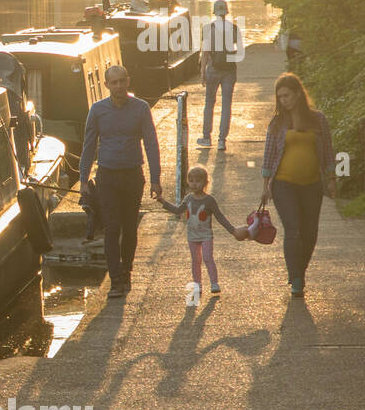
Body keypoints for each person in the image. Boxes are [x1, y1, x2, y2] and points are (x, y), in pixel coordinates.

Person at [80, 64, 163, 297]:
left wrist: (156, 179)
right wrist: (83, 179)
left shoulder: (141, 108)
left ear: (128, 81)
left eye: (121, 81)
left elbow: (151, 144)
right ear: (106, 85)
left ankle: (126, 271)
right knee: (111, 227)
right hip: (106, 176)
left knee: (129, 228)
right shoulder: (97, 111)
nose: (118, 86)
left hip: (132, 175)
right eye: (113, 82)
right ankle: (116, 280)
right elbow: (88, 146)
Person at [260, 73, 336, 297]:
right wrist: (265, 186)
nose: (284, 100)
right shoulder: (278, 122)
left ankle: (299, 272)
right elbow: (268, 155)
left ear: (298, 94)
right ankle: (296, 279)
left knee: (310, 233)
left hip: (312, 185)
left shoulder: (318, 120)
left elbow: (329, 152)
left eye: (287, 95)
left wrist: (331, 180)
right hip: (284, 185)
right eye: (280, 97)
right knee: (293, 231)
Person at [157, 166, 248, 300]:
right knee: (196, 260)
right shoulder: (188, 199)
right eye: (191, 180)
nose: (194, 184)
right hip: (192, 236)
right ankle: (198, 284)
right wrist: (163, 202)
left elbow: (220, 217)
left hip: (206, 235)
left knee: (207, 258)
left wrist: (232, 230)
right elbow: (178, 211)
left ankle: (214, 283)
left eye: (198, 181)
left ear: (205, 183)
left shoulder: (209, 200)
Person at [197, 0, 243, 151]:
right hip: (229, 71)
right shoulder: (235, 29)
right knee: (226, 105)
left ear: (215, 12)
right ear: (226, 12)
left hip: (213, 69)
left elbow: (205, 53)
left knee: (209, 103)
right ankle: (222, 140)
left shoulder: (208, 29)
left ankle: (206, 137)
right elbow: (239, 51)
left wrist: (202, 71)